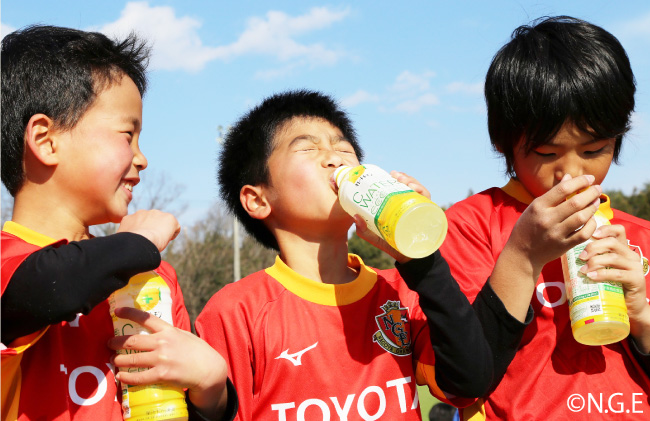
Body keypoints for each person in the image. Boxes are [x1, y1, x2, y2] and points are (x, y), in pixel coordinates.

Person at [194, 89, 587, 420]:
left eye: (344, 148)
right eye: (307, 148)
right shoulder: (235, 311)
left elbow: (469, 383)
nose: (335, 159)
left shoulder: (399, 291)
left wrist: (421, 259)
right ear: (257, 199)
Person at [1, 25, 236, 421]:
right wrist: (137, 245)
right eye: (128, 135)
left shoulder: (155, 276)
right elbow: (52, 287)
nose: (142, 159)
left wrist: (212, 390)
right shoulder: (12, 263)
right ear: (46, 140)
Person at [440, 16, 650, 420]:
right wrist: (521, 256)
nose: (570, 174)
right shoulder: (471, 226)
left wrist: (640, 310)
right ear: (504, 144)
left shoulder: (638, 235)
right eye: (547, 154)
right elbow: (460, 383)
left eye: (593, 151)